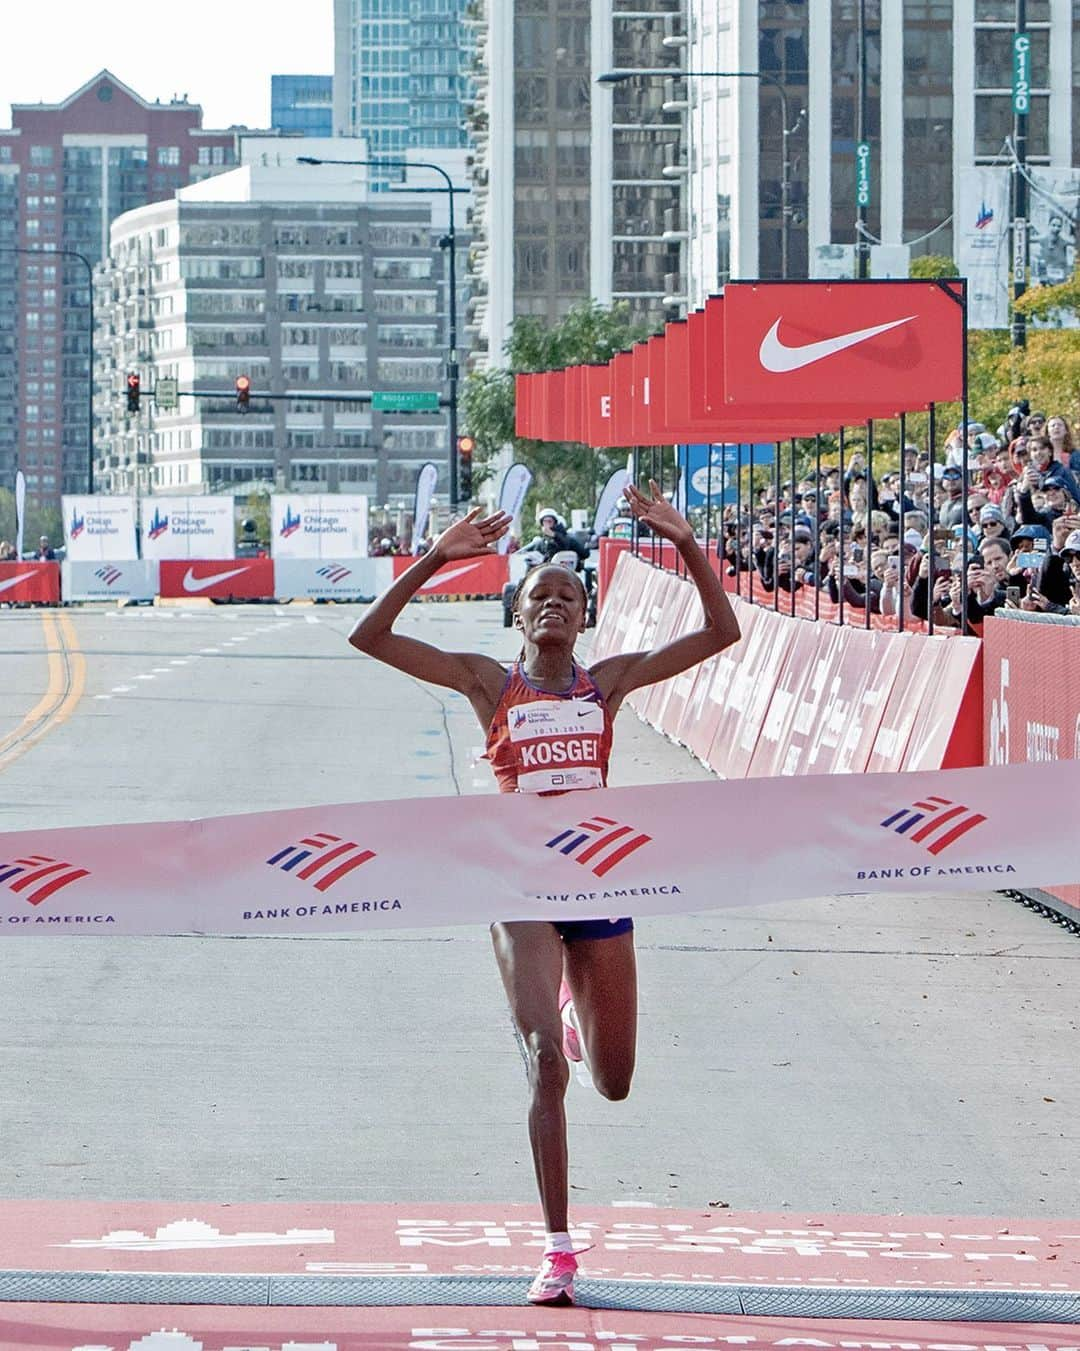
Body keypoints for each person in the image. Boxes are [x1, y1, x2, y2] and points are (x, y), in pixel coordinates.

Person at [347, 482, 740, 1307]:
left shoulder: (608, 684)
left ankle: (573, 1004)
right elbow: (369, 634)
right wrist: (436, 556)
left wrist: (685, 538)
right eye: (539, 596)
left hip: (597, 882)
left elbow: (720, 631)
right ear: (518, 618)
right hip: (519, 885)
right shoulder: (489, 684)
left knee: (615, 1080)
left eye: (568, 596)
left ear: (584, 618)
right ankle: (558, 1248)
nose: (554, 604)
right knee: (544, 1070)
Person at [522, 509, 590, 569]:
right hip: (546, 573)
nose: (547, 524)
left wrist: (554, 535)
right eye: (545, 521)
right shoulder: (542, 542)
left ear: (555, 523)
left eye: (550, 521)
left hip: (557, 573)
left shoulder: (568, 540)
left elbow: (565, 546)